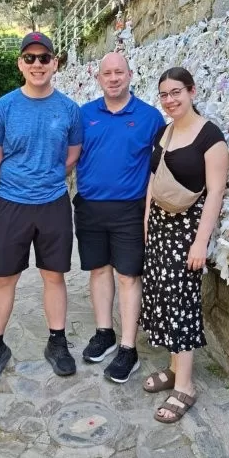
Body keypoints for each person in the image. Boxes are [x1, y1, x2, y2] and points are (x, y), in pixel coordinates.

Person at [0, 32, 82, 386]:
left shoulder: (68, 109)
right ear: (20, 63)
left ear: (55, 63)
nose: (37, 64)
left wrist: (49, 176)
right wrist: (21, 178)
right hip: (12, 202)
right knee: (5, 277)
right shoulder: (4, 107)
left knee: (54, 275)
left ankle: (57, 343)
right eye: (30, 58)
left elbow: (73, 153)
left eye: (44, 58)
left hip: (53, 203)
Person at [141, 67, 229, 423]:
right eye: (164, 94)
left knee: (182, 302)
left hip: (187, 231)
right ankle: (175, 368)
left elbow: (216, 193)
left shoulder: (210, 137)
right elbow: (153, 181)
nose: (170, 100)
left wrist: (200, 243)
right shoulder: (164, 132)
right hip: (160, 227)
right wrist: (146, 222)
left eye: (176, 92)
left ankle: (186, 386)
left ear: (191, 91)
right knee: (163, 297)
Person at [75, 52, 164, 383]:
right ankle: (105, 333)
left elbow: (162, 165)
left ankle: (128, 348)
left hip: (130, 209)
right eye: (107, 73)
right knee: (98, 271)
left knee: (128, 276)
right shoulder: (84, 115)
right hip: (89, 206)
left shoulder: (150, 117)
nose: (113, 78)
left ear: (130, 75)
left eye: (119, 72)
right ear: (98, 78)